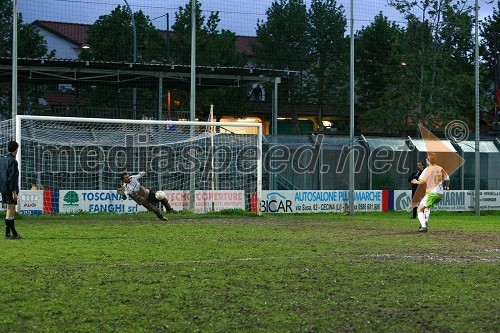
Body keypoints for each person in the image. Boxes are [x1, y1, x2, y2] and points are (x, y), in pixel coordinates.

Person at [411, 152, 450, 232]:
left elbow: (422, 181)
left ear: (427, 160)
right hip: (440, 194)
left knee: (419, 209)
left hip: (432, 193)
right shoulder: (440, 168)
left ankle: (423, 226)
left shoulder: (427, 169)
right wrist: (447, 186)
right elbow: (448, 178)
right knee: (427, 207)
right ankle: (425, 221)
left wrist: (416, 182)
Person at [0, 141, 23, 239]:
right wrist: (14, 191)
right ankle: (7, 234)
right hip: (10, 188)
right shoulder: (13, 161)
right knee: (10, 209)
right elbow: (12, 176)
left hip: (3, 187)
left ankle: (13, 233)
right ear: (16, 149)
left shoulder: (2, 159)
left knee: (10, 210)